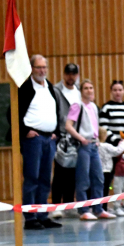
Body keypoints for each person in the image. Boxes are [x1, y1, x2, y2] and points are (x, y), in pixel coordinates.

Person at [19, 55, 62, 230]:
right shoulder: (25, 88)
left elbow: (56, 111)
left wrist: (56, 132)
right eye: (38, 67)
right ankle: (30, 217)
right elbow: (12, 113)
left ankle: (43, 214)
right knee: (32, 177)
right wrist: (25, 132)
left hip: (49, 138)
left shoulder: (50, 86)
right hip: (34, 139)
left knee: (45, 178)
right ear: (32, 68)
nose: (42, 71)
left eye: (44, 67)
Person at [64, 80, 116, 221]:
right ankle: (83, 209)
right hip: (84, 146)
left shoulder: (93, 106)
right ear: (81, 91)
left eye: (91, 88)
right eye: (86, 88)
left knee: (98, 178)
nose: (89, 90)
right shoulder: (77, 105)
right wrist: (81, 138)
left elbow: (95, 126)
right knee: (83, 179)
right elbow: (68, 125)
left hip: (94, 145)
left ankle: (98, 209)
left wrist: (98, 139)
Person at [99, 80, 124, 211]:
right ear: (111, 92)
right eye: (115, 90)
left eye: (120, 90)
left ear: (123, 91)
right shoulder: (106, 108)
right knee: (110, 178)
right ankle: (106, 206)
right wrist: (118, 142)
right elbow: (104, 127)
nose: (118, 92)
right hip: (112, 149)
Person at [52, 63, 82, 218]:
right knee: (60, 172)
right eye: (68, 73)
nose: (71, 77)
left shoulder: (79, 92)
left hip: (77, 136)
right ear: (64, 74)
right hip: (62, 135)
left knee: (73, 172)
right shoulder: (56, 91)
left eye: (74, 74)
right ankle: (56, 205)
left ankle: (69, 204)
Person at [97, 126, 124, 209]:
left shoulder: (95, 146)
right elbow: (117, 150)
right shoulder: (107, 146)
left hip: (96, 171)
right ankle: (104, 207)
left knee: (97, 189)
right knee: (105, 189)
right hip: (106, 171)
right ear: (105, 136)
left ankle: (96, 207)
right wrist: (123, 142)